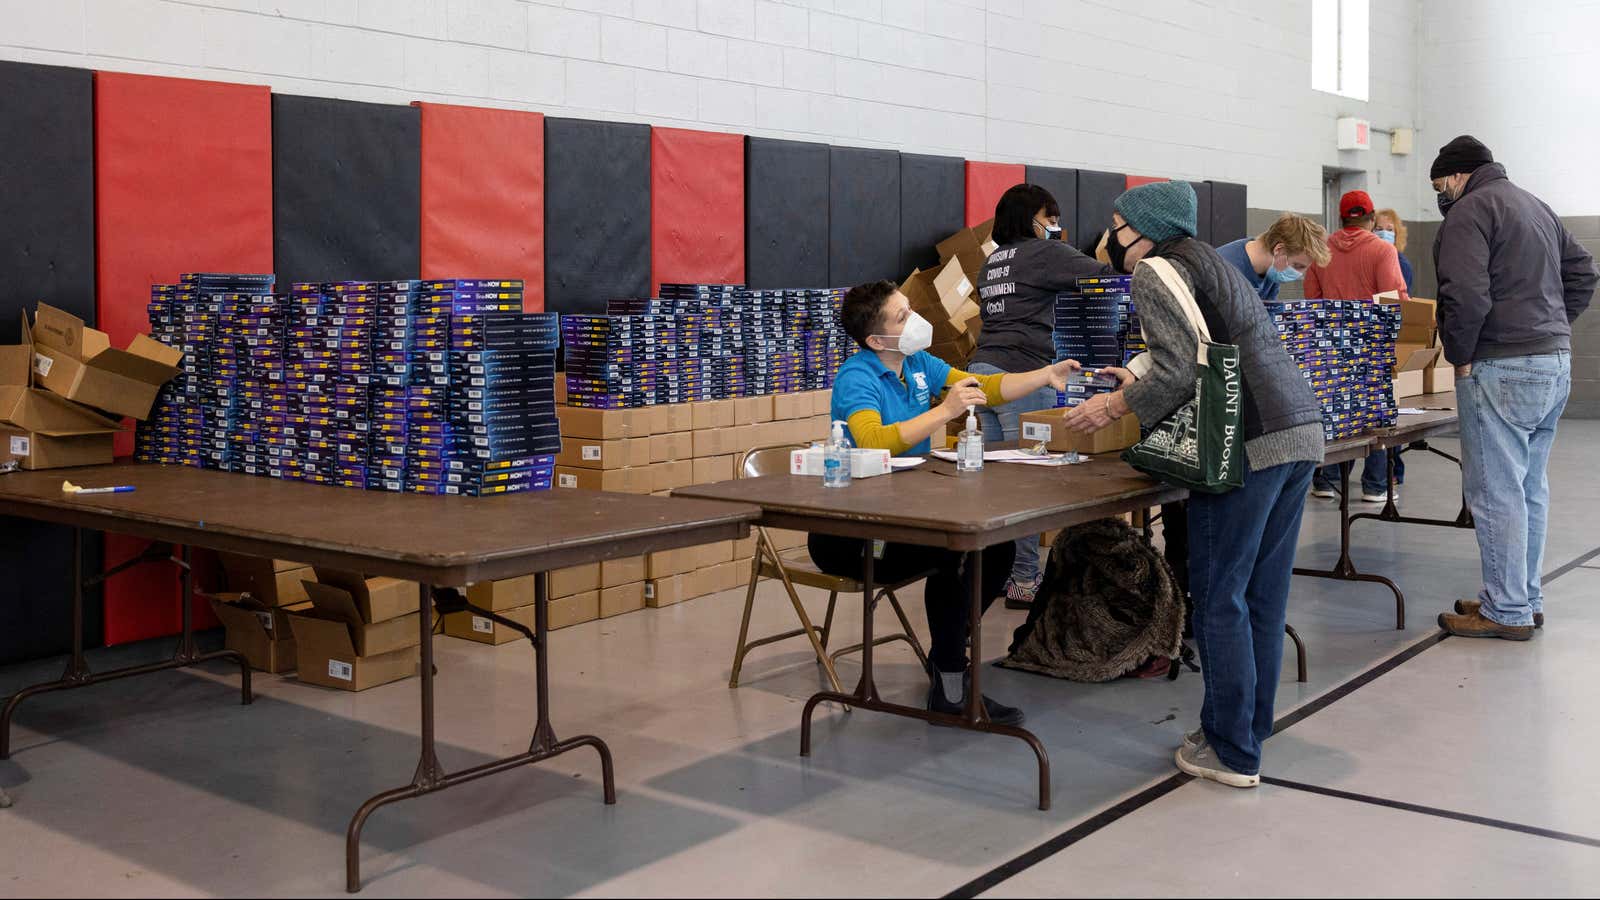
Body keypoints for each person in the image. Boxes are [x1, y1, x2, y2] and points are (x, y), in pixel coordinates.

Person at [1062, 181, 1325, 788]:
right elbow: (1202, 342)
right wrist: (1130, 372)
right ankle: (1247, 729)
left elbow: (1184, 370)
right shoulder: (1209, 261)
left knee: (1220, 596)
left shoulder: (1154, 270)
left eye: (1117, 224)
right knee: (1261, 596)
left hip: (1241, 441)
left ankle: (1232, 753)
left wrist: (1113, 406)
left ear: (1143, 230)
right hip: (1299, 428)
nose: (1110, 237)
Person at [817, 280, 1082, 724]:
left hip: (909, 512)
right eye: (903, 318)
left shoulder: (919, 363)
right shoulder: (857, 377)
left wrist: (1045, 375)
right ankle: (951, 682)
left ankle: (949, 662)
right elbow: (871, 440)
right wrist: (944, 412)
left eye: (910, 309)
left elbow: (985, 387)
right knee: (955, 553)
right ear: (876, 340)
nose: (915, 321)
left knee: (994, 546)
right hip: (855, 532)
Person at [1428, 136, 1596, 640]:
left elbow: (1465, 295)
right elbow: (1584, 271)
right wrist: (1552, 326)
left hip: (1501, 365)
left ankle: (1505, 610)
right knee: (1528, 488)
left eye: (1440, 184)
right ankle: (1523, 595)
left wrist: (1460, 356)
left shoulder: (1469, 212)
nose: (1441, 195)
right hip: (1555, 363)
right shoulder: (1534, 204)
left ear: (1457, 175)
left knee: (1495, 491)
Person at [972, 184, 1115, 608]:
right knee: (1029, 483)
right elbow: (1103, 278)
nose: (1054, 226)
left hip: (983, 372)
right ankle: (1024, 579)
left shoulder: (992, 262)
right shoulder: (1044, 253)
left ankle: (996, 573)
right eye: (1049, 218)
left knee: (996, 482)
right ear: (1030, 217)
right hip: (1024, 374)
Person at [1303, 190, 1409, 503]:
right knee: (1376, 413)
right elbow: (1394, 299)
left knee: (1335, 412)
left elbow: (1312, 298)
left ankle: (1327, 479)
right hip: (1373, 345)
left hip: (1331, 345)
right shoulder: (1382, 250)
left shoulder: (1321, 249)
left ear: (1340, 218)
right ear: (1372, 218)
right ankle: (1375, 486)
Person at [1215, 212, 1332, 302]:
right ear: (1279, 250)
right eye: (1297, 265)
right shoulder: (1225, 270)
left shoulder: (1273, 270)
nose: (1299, 274)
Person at [1375, 208, 1415, 293]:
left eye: (1389, 229)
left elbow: (1402, 300)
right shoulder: (1368, 258)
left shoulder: (1402, 264)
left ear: (1397, 234)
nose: (1384, 233)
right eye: (1379, 229)